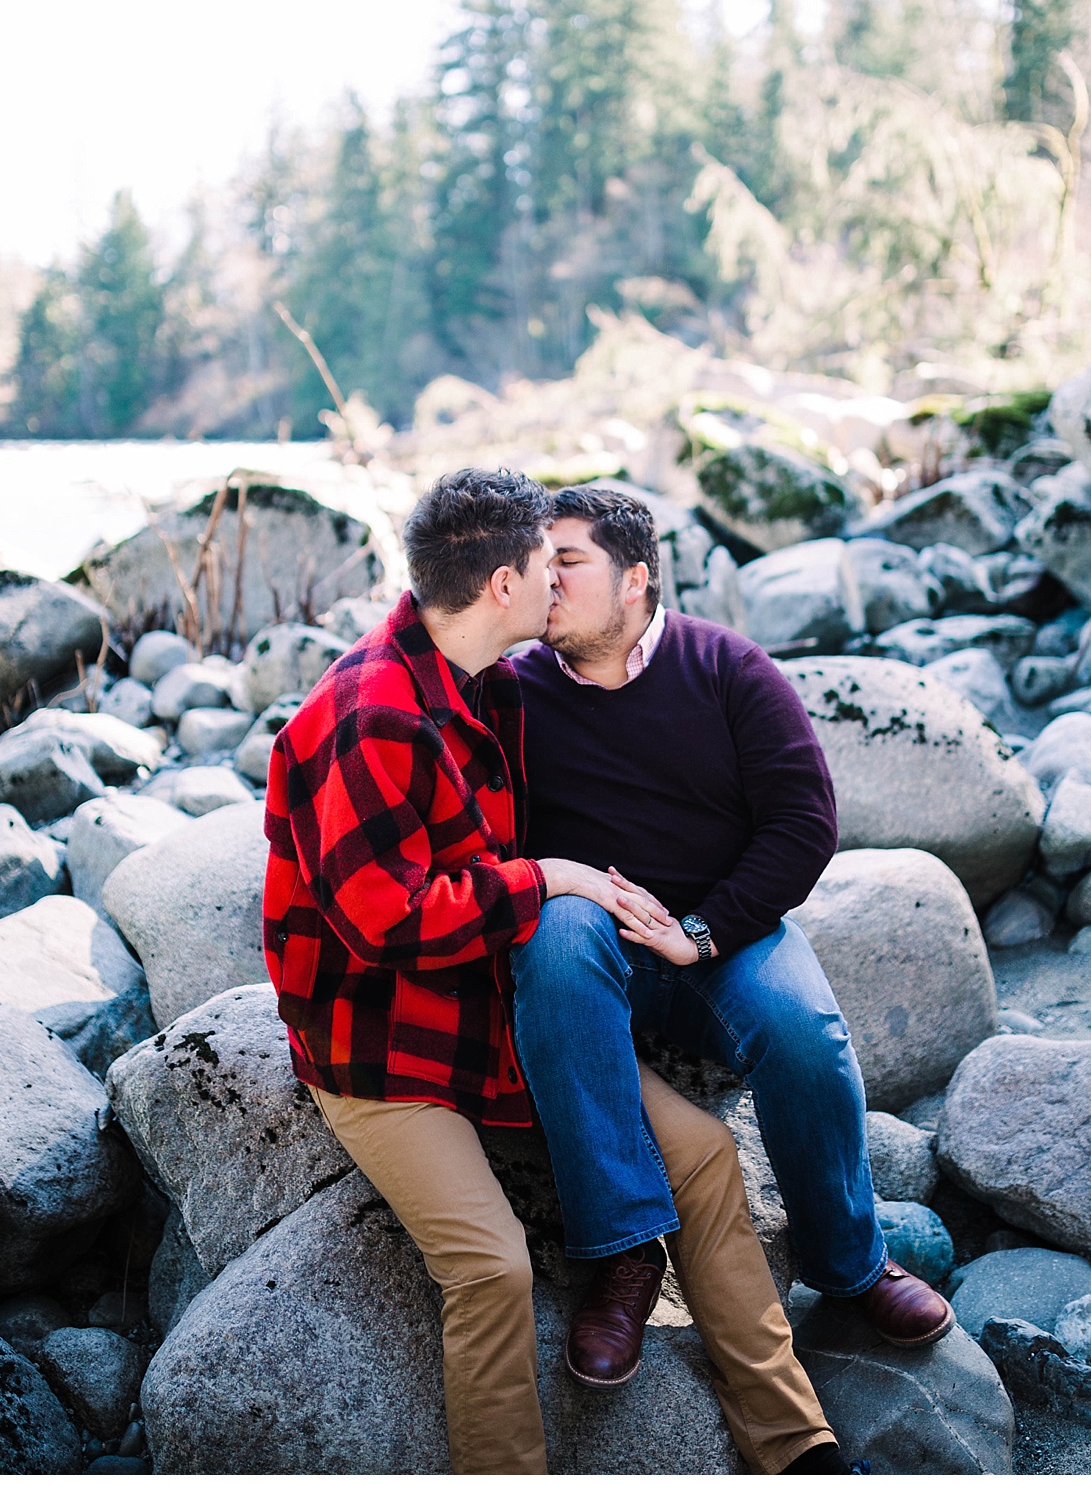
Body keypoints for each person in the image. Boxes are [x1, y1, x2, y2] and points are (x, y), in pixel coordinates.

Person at [262, 467, 851, 1477]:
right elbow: (383, 923)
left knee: (706, 1154)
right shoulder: (372, 715)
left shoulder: (488, 681)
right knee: (489, 1265)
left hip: (493, 1008)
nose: (560, 582)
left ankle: (796, 1443)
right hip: (384, 1043)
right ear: (504, 585)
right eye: (550, 562)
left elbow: (792, 814)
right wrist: (549, 877)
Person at [510, 484, 954, 1392]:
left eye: (568, 561)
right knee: (554, 939)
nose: (542, 579)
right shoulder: (512, 694)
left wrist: (702, 933)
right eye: (537, 561)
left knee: (801, 1031)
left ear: (635, 577)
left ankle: (851, 1263)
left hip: (725, 930)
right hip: (593, 937)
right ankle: (627, 1255)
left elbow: (803, 823)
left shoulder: (730, 668)